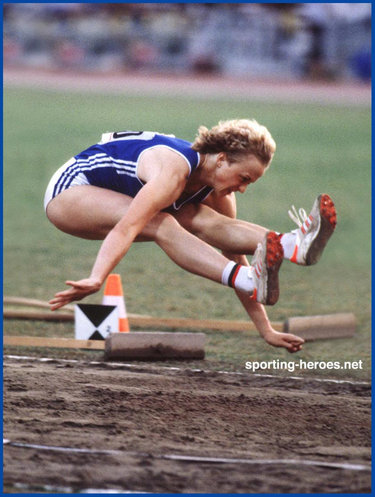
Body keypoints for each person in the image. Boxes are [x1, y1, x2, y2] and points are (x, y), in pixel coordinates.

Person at [44, 119, 336, 353]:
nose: (243, 188)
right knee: (162, 223)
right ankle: (293, 245)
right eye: (243, 178)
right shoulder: (174, 171)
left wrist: (266, 329)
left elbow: (234, 254)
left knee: (209, 223)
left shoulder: (216, 189)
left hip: (116, 198)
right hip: (69, 192)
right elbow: (127, 227)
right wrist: (98, 277)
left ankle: (293, 244)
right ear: (221, 159)